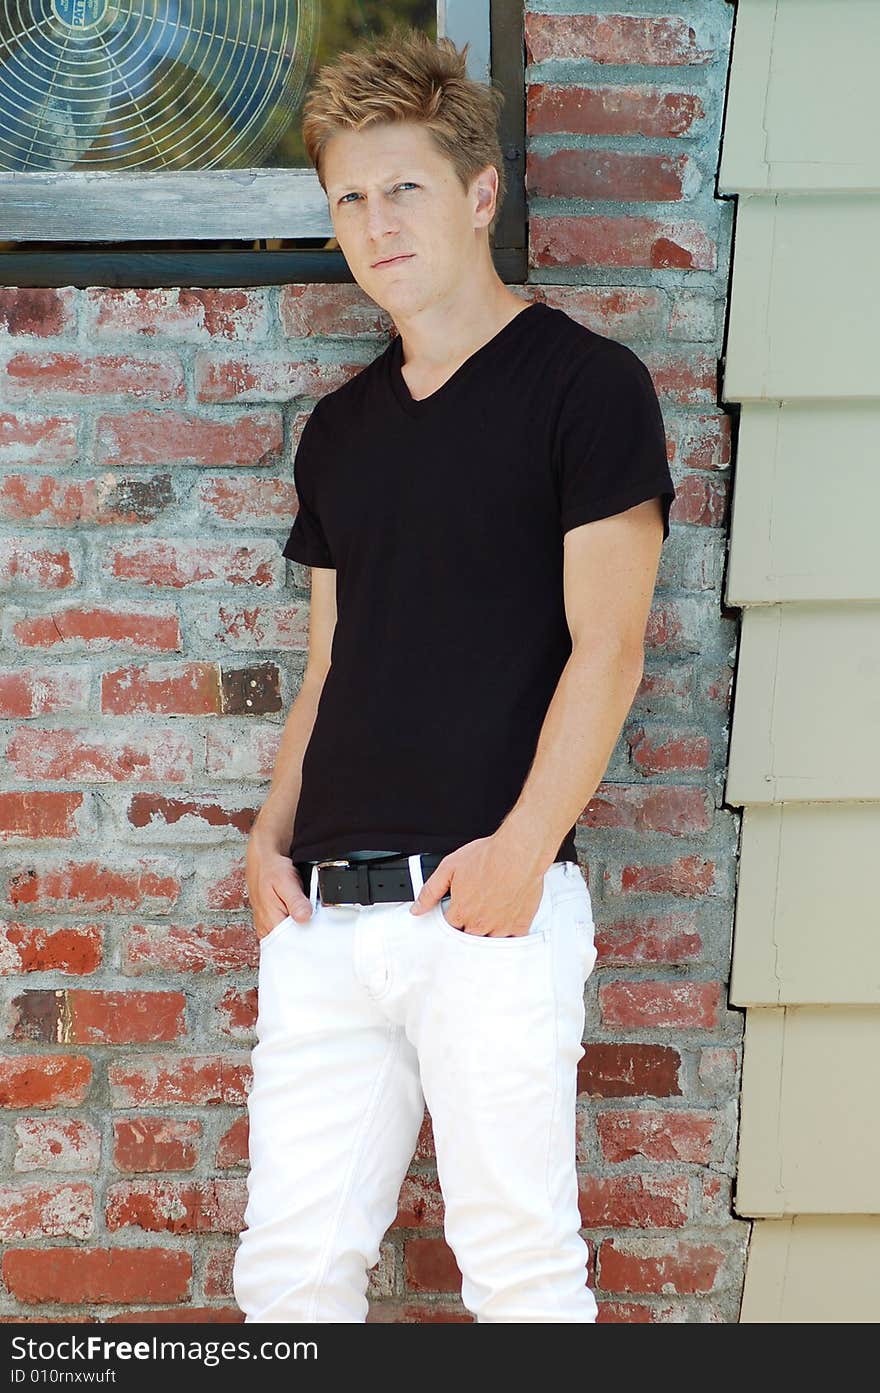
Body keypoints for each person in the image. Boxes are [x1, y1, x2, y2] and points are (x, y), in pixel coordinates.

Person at [232, 26, 676, 1324]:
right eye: (350, 199)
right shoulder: (341, 432)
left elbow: (613, 645)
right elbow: (329, 667)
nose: (376, 223)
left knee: (523, 1276)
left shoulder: (586, 389)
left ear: (481, 195)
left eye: (404, 188)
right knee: (288, 1281)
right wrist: (267, 837)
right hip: (320, 923)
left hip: (484, 912)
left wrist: (522, 853)